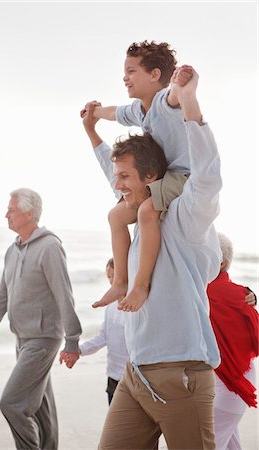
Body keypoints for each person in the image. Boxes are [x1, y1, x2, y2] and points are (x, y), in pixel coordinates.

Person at [82, 67, 222, 450]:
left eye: (126, 177)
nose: (117, 185)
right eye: (118, 177)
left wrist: (190, 103)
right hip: (136, 374)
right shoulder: (137, 217)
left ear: (151, 178)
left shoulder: (184, 218)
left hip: (181, 374)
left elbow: (207, 177)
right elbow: (113, 174)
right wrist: (92, 134)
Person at [81, 41, 192, 313]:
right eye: (124, 72)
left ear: (154, 75)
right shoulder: (137, 110)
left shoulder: (165, 101)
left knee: (146, 211)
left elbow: (176, 97)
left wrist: (180, 85)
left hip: (182, 176)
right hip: (159, 178)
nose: (125, 77)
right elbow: (114, 113)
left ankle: (140, 285)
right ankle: (121, 280)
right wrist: (94, 114)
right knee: (116, 215)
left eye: (132, 71)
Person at [0, 188, 82, 450]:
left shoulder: (50, 247)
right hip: (23, 339)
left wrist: (73, 340)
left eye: (11, 209)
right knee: (43, 409)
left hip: (43, 340)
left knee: (11, 403)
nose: (6, 214)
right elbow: (1, 297)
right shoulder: (12, 251)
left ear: (29, 213)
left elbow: (64, 295)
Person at [207, 232, 258, 450]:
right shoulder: (240, 295)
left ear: (221, 262)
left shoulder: (203, 292)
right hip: (235, 383)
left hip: (228, 386)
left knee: (207, 446)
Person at [77, 258, 129, 405]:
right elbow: (103, 337)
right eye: (109, 277)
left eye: (115, 276)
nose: (112, 281)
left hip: (133, 379)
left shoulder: (138, 307)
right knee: (114, 427)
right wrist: (79, 350)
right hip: (113, 377)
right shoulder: (110, 306)